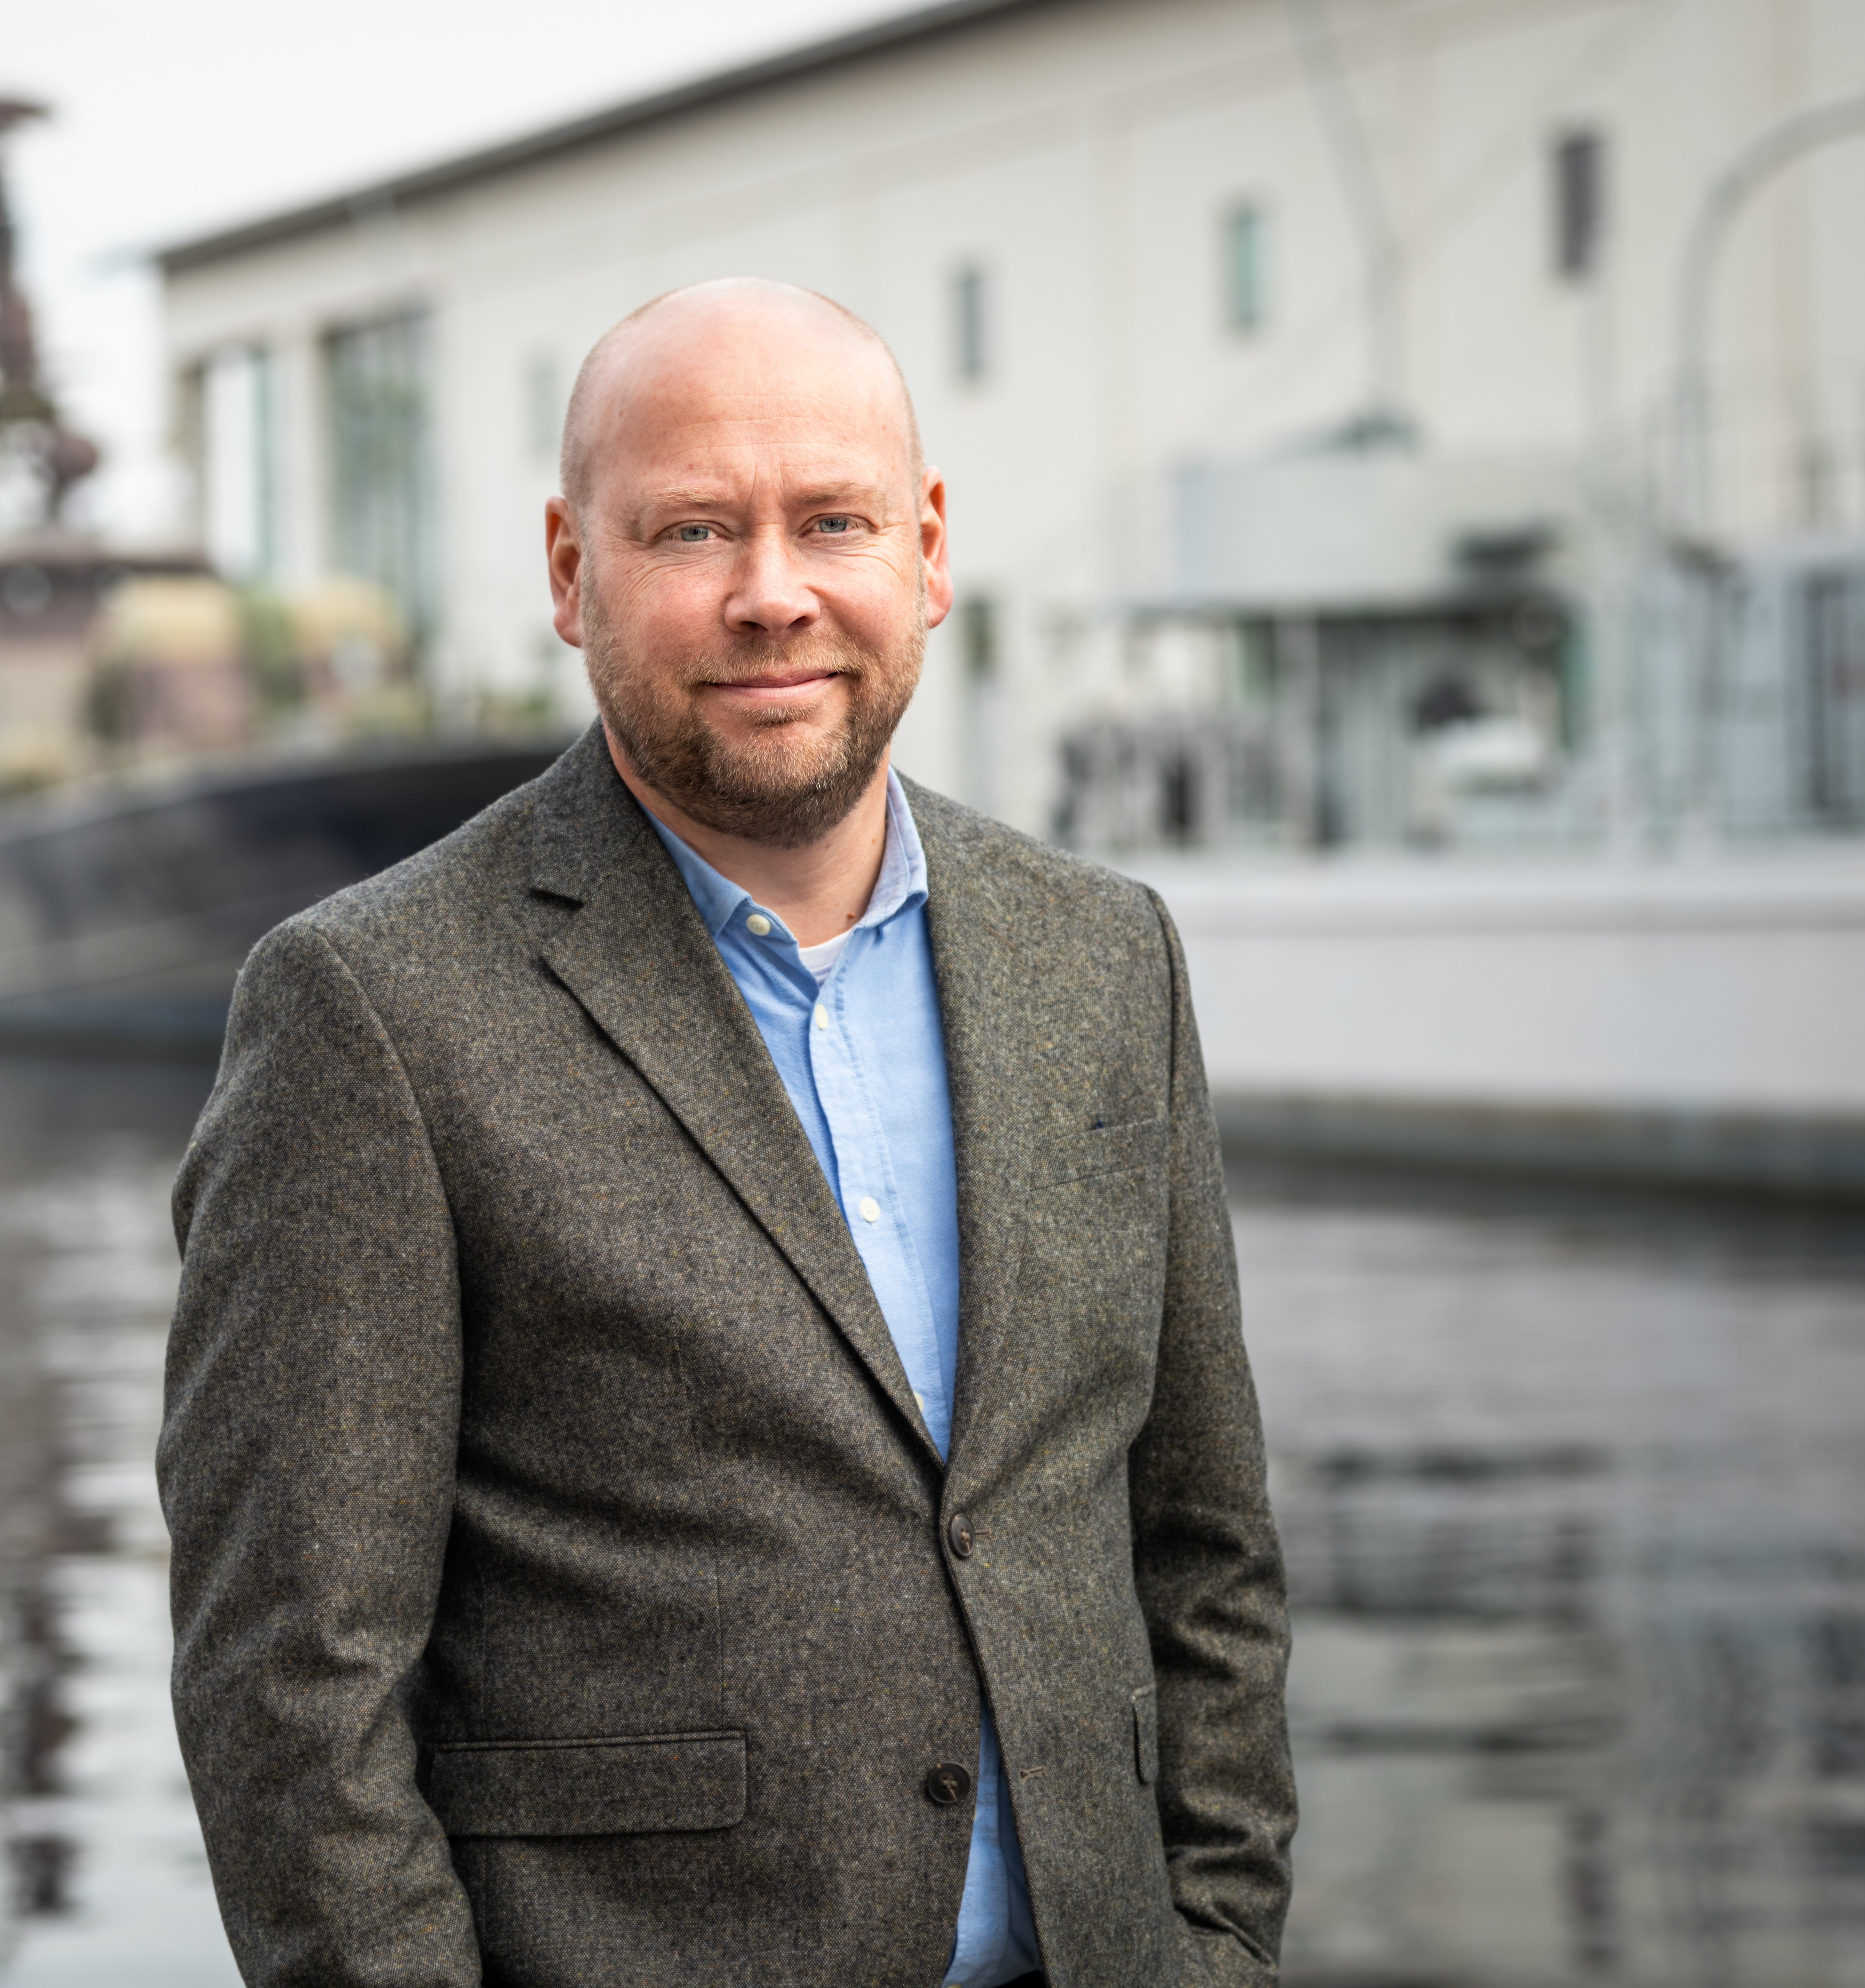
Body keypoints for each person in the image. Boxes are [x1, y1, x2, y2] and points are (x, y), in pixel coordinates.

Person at [157, 278, 1292, 1987]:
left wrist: (1218, 1944)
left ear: (925, 551)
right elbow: (289, 1684)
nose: (775, 594)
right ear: (569, 571)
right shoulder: (368, 1010)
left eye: (831, 521)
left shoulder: (1107, 954)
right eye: (694, 530)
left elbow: (1204, 1551)